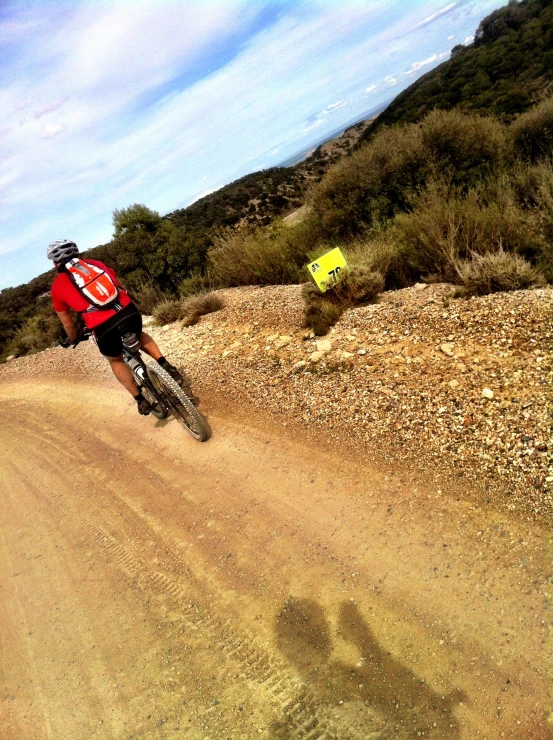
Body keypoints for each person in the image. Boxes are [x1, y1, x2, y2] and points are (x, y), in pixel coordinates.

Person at [48, 239, 182, 415]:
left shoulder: (57, 287)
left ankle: (140, 400)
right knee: (139, 334)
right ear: (76, 252)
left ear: (55, 263)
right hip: (128, 312)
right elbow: (118, 286)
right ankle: (164, 364)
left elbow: (68, 324)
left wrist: (73, 338)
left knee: (116, 360)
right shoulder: (96, 264)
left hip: (104, 327)